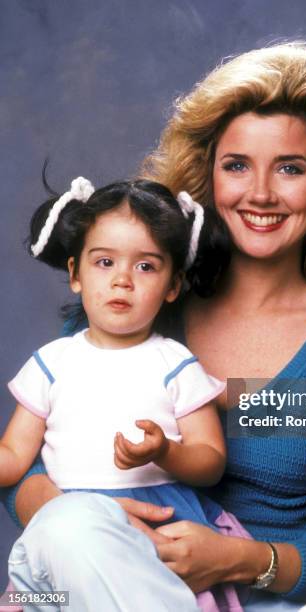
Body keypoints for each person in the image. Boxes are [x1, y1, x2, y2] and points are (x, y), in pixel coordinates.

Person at [1, 42, 306, 611]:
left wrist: (238, 560)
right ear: (207, 175)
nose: (260, 193)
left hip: (246, 591)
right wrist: (78, 518)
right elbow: (27, 453)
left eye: (290, 168)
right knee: (66, 536)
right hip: (95, 569)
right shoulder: (144, 293)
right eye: (236, 166)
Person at [1, 178, 252, 611]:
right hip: (67, 529)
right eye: (104, 263)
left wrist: (165, 453)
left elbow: (211, 460)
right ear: (75, 274)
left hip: (159, 526)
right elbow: (13, 458)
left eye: (146, 267)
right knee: (49, 592)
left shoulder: (176, 363)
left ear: (173, 285)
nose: (122, 280)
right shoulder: (51, 362)